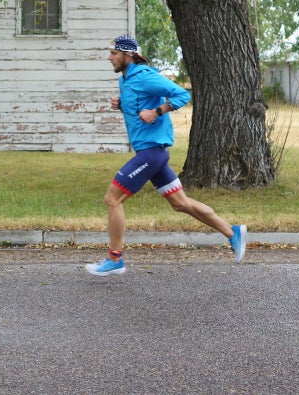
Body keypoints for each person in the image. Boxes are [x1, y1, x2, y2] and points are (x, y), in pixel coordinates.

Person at [85, 34, 247, 276]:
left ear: (128, 55)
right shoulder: (126, 79)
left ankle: (115, 259)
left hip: (152, 153)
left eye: (114, 53)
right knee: (181, 204)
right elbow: (137, 107)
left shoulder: (145, 77)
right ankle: (232, 232)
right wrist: (123, 105)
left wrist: (158, 111)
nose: (110, 57)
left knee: (112, 199)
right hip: (151, 152)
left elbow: (183, 94)